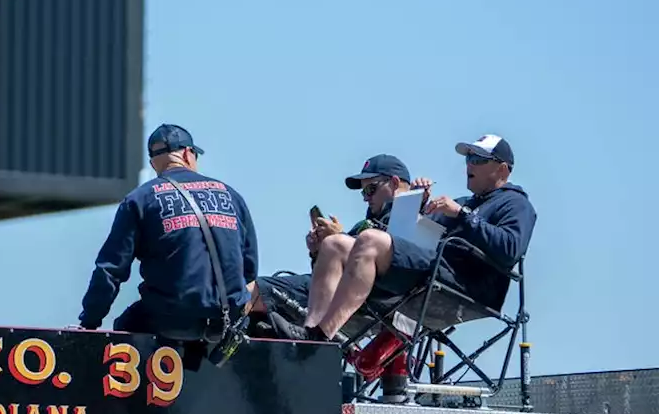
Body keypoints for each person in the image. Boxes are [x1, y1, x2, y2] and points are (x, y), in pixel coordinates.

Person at [275, 134, 537, 343]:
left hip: (465, 283)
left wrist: (462, 215)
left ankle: (323, 336)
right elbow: (415, 233)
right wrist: (418, 203)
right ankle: (311, 334)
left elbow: (510, 248)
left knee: (370, 239)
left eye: (479, 159)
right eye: (469, 157)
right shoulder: (465, 203)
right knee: (335, 244)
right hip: (434, 269)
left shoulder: (515, 204)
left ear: (502, 169)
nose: (469, 164)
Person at [72, 124, 258, 343]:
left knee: (126, 326)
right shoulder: (231, 196)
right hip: (228, 322)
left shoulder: (140, 199)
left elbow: (111, 269)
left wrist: (89, 324)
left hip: (172, 320)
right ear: (189, 154)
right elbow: (249, 268)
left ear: (153, 163)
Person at [247, 154, 412, 334]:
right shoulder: (367, 225)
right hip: (329, 293)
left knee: (253, 292)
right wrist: (318, 252)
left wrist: (339, 238)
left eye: (370, 189)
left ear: (395, 183)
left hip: (359, 298)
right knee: (259, 321)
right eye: (364, 192)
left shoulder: (409, 220)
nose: (366, 198)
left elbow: (383, 269)